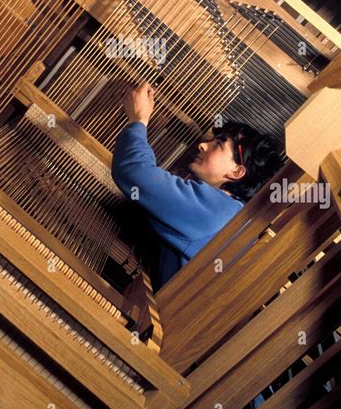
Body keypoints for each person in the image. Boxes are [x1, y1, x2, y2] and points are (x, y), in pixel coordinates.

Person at [111, 82, 282, 290]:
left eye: (218, 144)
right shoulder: (233, 214)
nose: (203, 145)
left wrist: (138, 120)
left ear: (237, 171)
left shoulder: (220, 211)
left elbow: (134, 171)